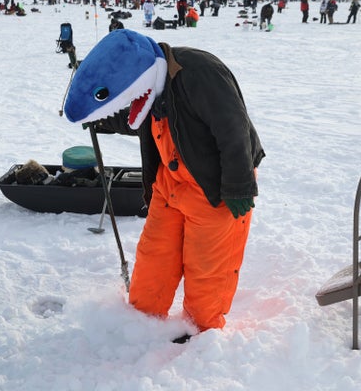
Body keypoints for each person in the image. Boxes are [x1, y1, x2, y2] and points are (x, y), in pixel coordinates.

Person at [62, 29, 265, 340]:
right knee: (154, 255)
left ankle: (201, 334)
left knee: (207, 268)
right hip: (169, 184)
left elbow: (233, 128)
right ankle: (143, 319)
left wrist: (238, 185)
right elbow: (138, 116)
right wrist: (101, 120)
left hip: (214, 185)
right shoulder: (150, 82)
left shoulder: (200, 72)